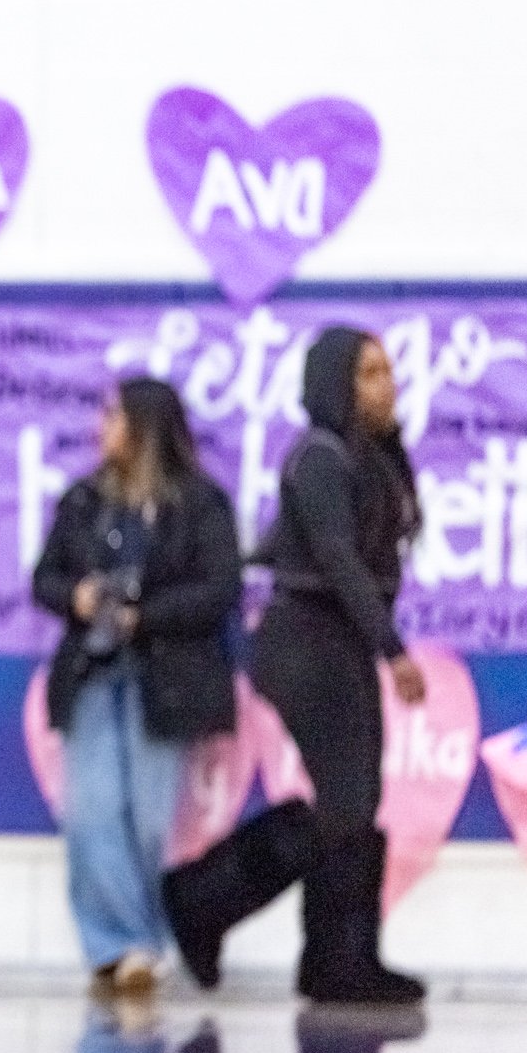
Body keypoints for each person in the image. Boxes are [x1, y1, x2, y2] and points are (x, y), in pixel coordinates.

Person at [164, 328, 429, 1005]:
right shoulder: (318, 458)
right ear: (336, 383)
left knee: (355, 801)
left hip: (337, 642)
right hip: (305, 643)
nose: (387, 384)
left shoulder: (369, 459)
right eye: (369, 373)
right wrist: (393, 648)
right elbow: (338, 560)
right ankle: (204, 898)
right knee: (346, 801)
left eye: (387, 371)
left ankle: (340, 959)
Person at [31, 378, 240, 997]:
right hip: (93, 674)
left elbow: (220, 590)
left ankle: (144, 942)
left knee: (149, 819)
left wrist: (144, 616)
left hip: (165, 680)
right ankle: (115, 945)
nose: (102, 427)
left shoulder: (201, 503)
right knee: (91, 811)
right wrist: (78, 597)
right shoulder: (83, 501)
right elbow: (44, 579)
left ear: (145, 426)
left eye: (113, 416)